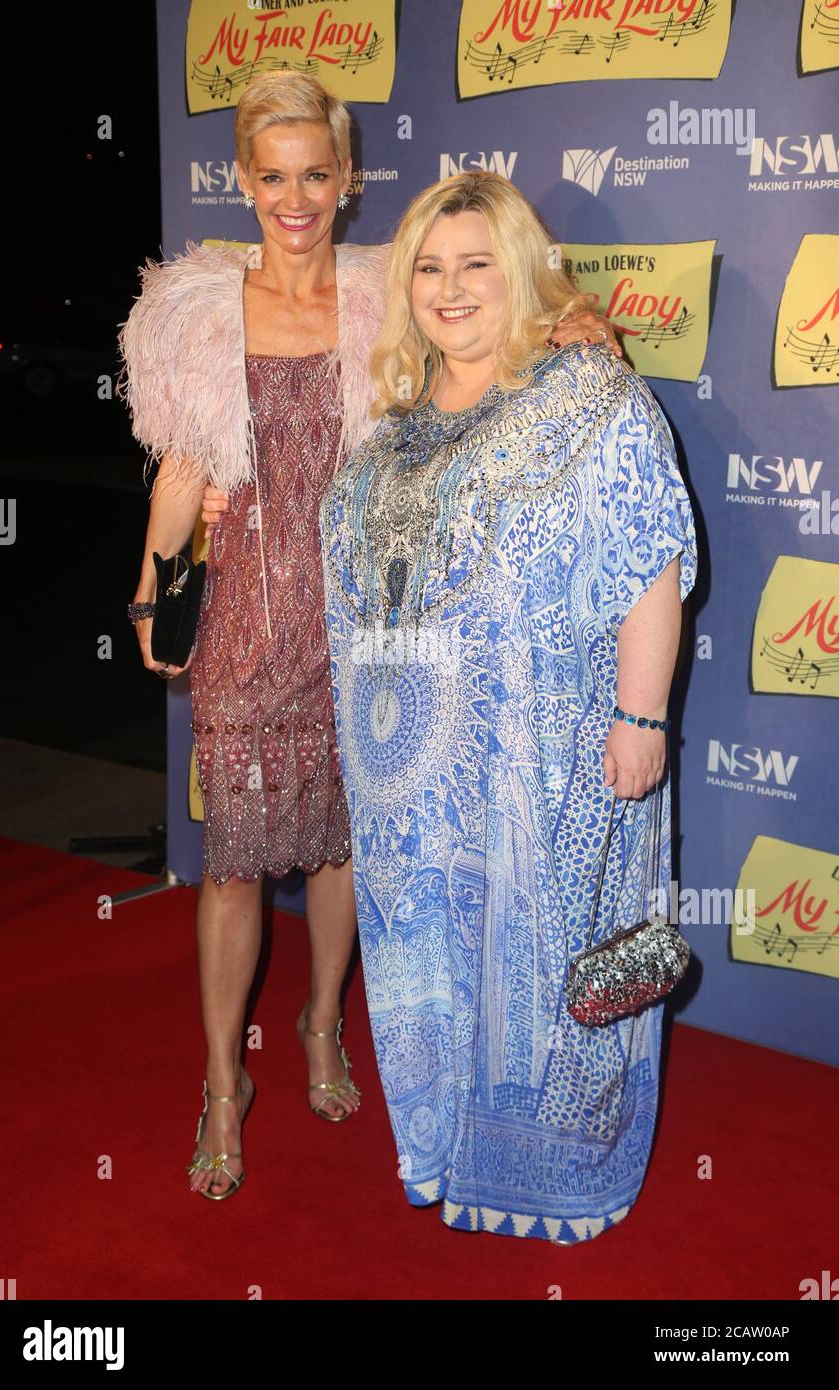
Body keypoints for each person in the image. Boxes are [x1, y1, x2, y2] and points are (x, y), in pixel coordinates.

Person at [119, 71, 619, 1199]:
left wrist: (571, 321)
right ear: (242, 180)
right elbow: (184, 470)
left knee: (348, 846)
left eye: (314, 174)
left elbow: (478, 333)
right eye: (271, 175)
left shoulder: (374, 295)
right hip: (247, 622)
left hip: (368, 617)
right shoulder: (200, 307)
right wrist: (153, 588)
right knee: (234, 865)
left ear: (345, 181)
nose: (293, 197)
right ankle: (217, 1084)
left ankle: (320, 1025)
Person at [318, 170, 697, 1243]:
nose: (450, 288)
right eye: (429, 269)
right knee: (433, 962)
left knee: (552, 969)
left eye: (476, 263)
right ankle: (438, 1145)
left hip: (553, 762)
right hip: (416, 790)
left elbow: (648, 560)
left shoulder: (588, 395)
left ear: (521, 270)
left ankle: (562, 1174)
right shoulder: (389, 424)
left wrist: (640, 716)